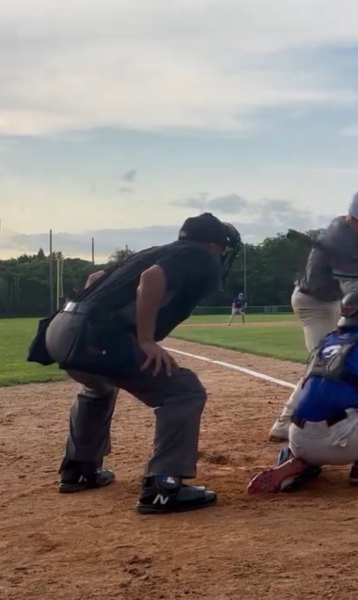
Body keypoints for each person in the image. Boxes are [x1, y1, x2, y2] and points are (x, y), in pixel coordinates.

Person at [26, 213, 242, 514]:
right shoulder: (200, 256)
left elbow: (95, 278)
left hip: (61, 329)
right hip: (96, 335)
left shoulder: (153, 251)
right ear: (212, 245)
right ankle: (163, 488)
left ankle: (79, 469)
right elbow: (151, 279)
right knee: (184, 390)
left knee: (98, 386)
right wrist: (145, 340)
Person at [247, 287, 358, 494]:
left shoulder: (328, 341)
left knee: (340, 390)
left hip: (297, 439)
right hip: (341, 443)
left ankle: (298, 462)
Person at [268, 189, 358, 441]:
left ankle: (343, 404)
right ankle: (284, 423)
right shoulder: (337, 240)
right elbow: (352, 289)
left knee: (341, 358)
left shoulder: (356, 232)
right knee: (323, 362)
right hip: (312, 303)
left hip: (333, 302)